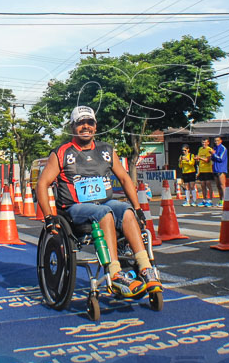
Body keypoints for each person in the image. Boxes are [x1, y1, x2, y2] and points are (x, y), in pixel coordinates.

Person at [35, 106, 162, 298]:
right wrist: (48, 217)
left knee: (125, 210)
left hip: (105, 203)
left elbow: (125, 179)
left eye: (90, 122)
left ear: (96, 126)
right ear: (72, 126)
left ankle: (145, 267)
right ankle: (115, 272)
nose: (85, 126)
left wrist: (137, 209)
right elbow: (42, 183)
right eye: (80, 123)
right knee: (104, 213)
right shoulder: (61, 153)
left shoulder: (107, 150)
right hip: (75, 209)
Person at [195, 138, 214, 207]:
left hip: (208, 170)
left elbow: (207, 160)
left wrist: (200, 158)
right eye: (203, 142)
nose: (204, 144)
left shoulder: (209, 149)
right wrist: (197, 159)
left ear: (208, 143)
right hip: (201, 170)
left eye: (205, 142)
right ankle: (204, 200)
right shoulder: (200, 149)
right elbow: (199, 158)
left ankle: (210, 200)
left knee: (208, 184)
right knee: (202, 185)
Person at [210, 136, 228, 200]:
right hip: (215, 169)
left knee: (222, 185)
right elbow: (212, 159)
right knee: (218, 186)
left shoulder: (223, 148)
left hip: (221, 169)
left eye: (218, 140)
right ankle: (221, 201)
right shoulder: (214, 148)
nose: (216, 142)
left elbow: (221, 159)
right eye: (215, 141)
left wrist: (213, 154)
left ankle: (225, 200)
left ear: (221, 141)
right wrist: (211, 155)